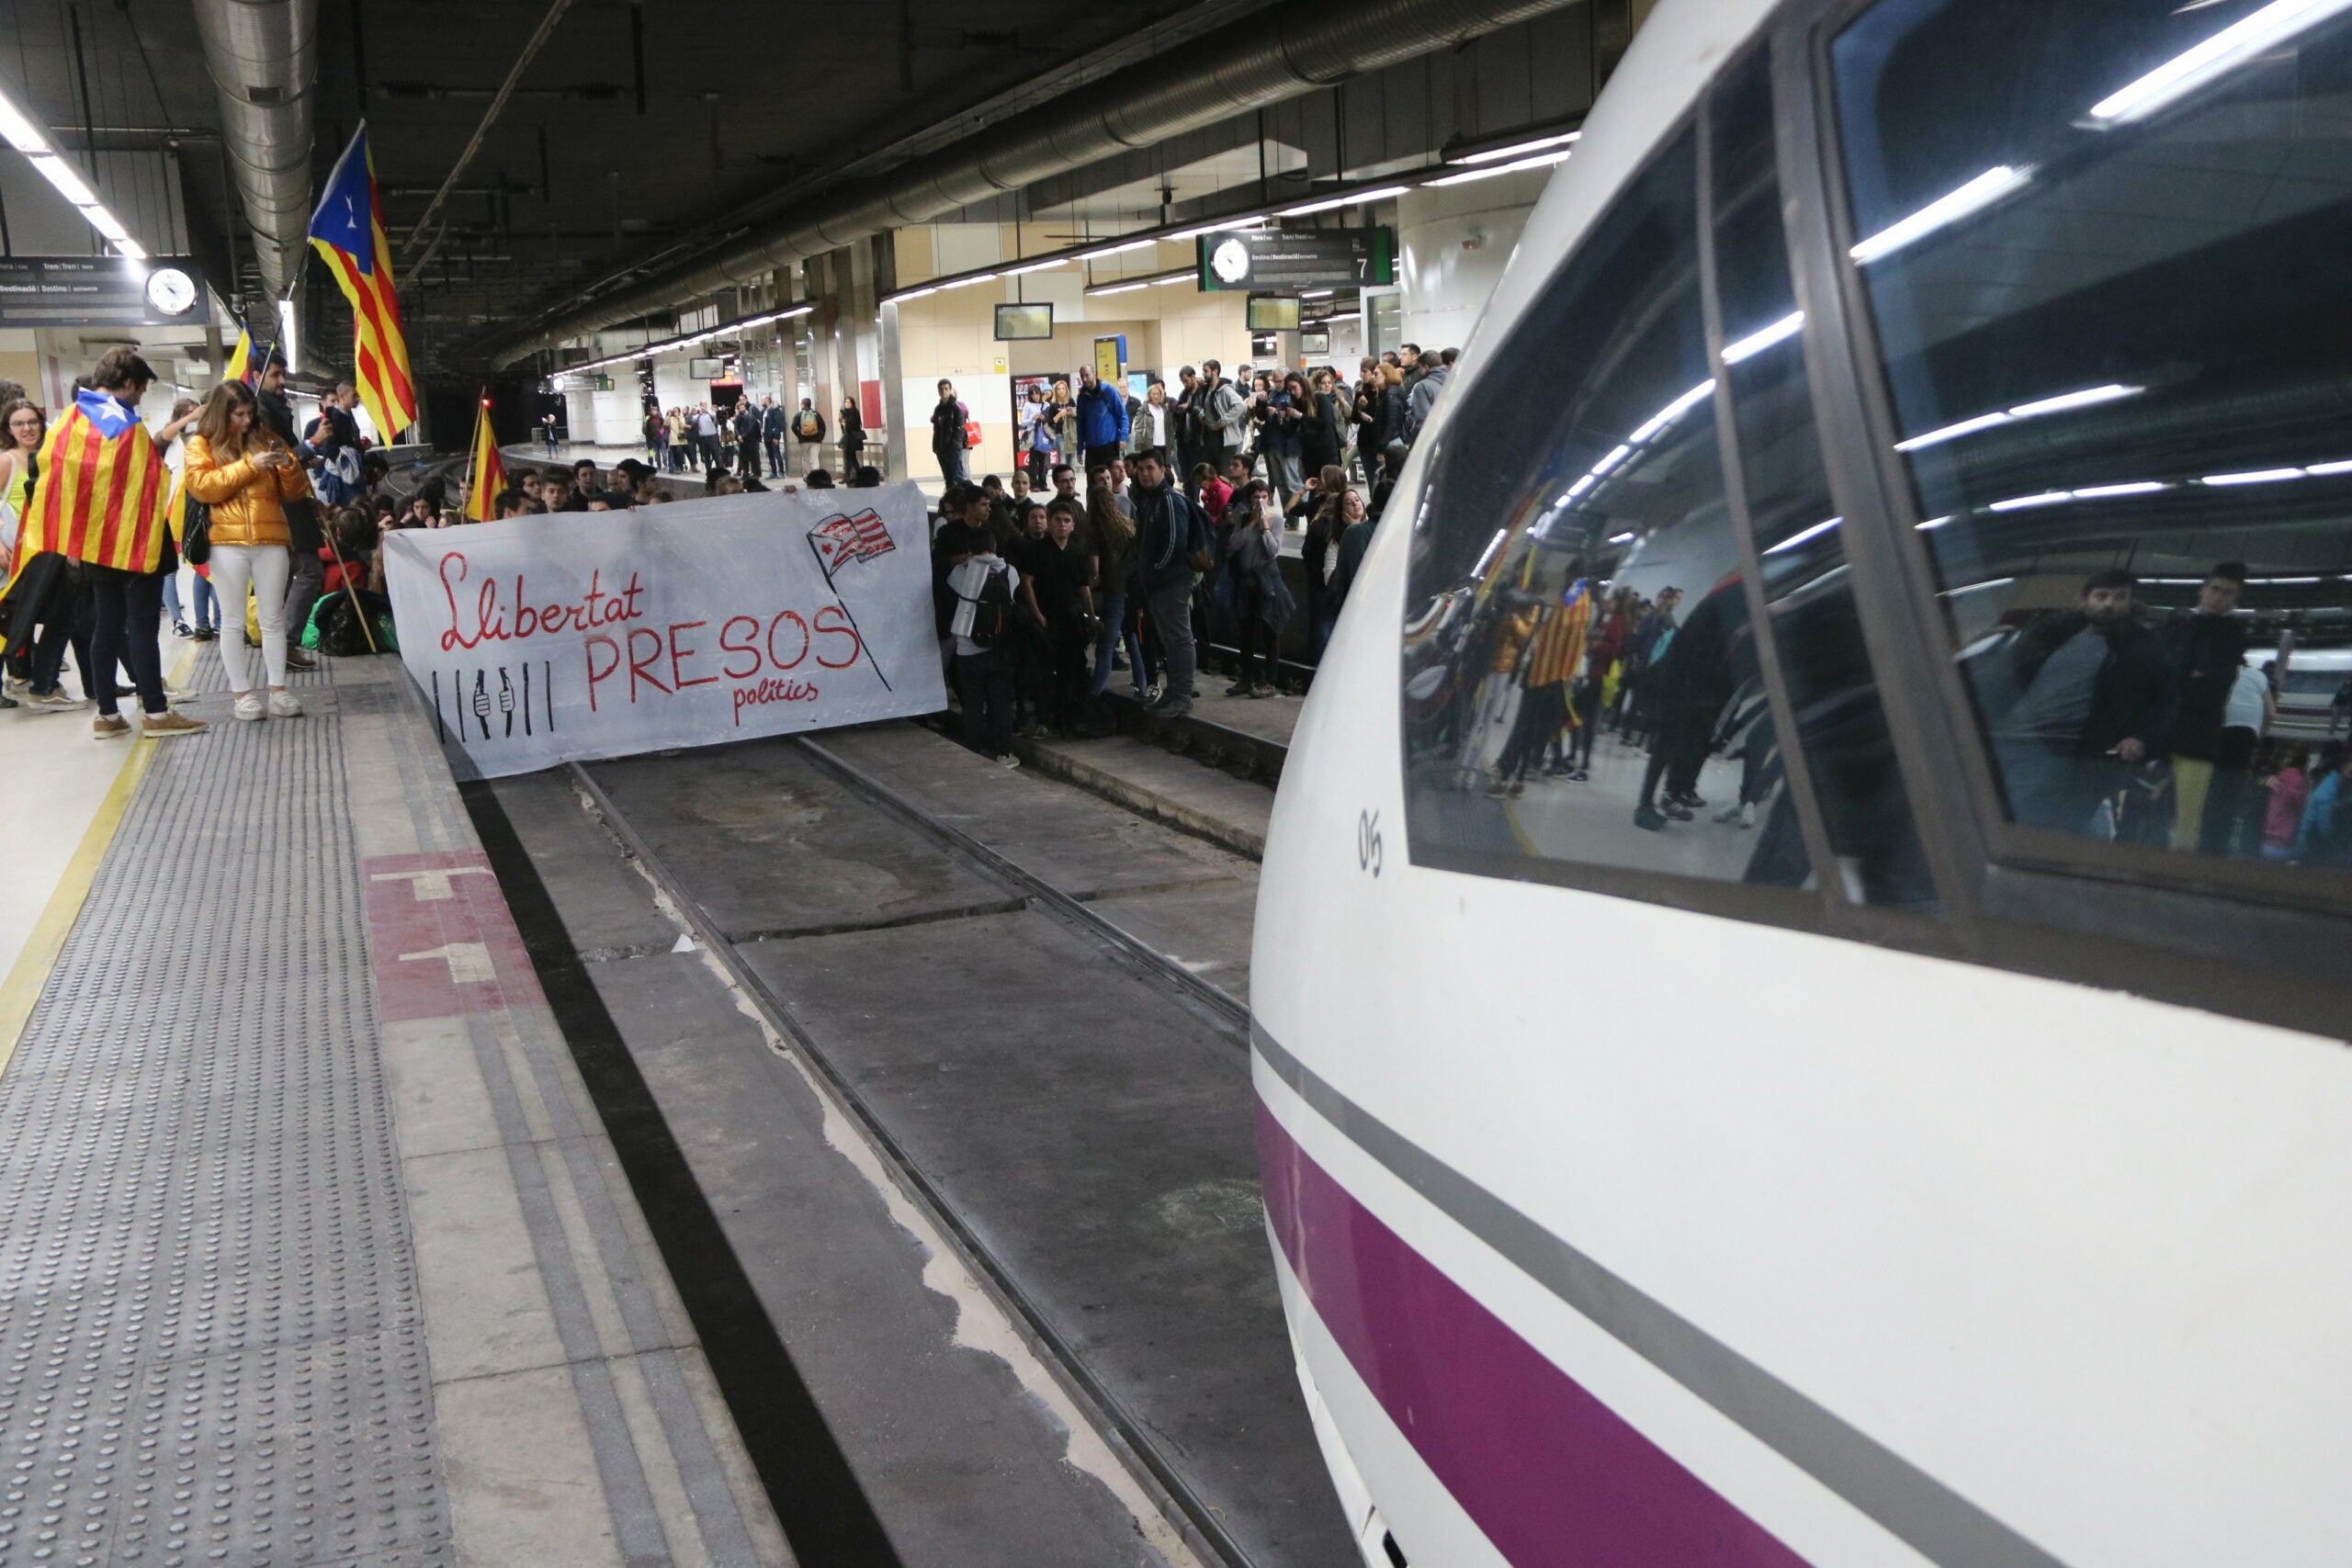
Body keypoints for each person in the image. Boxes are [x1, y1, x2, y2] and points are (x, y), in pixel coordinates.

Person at [46, 351, 210, 737]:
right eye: (141, 389)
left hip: (93, 542)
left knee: (107, 625)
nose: (139, 397)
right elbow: (147, 480)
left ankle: (106, 714)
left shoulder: (71, 419)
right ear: (129, 383)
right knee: (141, 627)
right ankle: (155, 712)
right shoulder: (123, 421)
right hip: (134, 541)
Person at [1986, 570, 2170, 835]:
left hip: (2071, 752)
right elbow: (2002, 678)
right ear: (2084, 600)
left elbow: (2163, 700)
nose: (2109, 603)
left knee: (2031, 827)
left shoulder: (2144, 647)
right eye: (2101, 596)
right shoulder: (2050, 633)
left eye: (2120, 597)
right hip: (2008, 739)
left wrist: (2140, 737)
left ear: (2131, 603)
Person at [187, 376, 314, 721]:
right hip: (225, 543)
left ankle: (278, 690)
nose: (246, 420)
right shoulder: (201, 444)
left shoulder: (268, 439)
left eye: (249, 413)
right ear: (222, 413)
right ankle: (242, 695)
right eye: (238, 414)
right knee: (232, 620)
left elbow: (295, 490)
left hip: (271, 538)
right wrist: (249, 466)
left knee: (273, 618)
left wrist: (287, 464)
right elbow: (202, 488)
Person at [2159, 562, 2252, 853]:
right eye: (2215, 589)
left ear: (2235, 599)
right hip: (2161, 732)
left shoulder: (2233, 635)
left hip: (2195, 738)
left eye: (2228, 593)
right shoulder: (2176, 627)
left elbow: (2211, 684)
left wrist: (2179, 678)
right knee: (2139, 808)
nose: (2219, 597)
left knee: (2187, 821)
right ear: (2202, 590)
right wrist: (2192, 676)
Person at [1129, 451, 1211, 718]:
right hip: (1159, 584)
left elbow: (1175, 543)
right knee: (1169, 639)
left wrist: (1154, 572)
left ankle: (1182, 695)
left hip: (1171, 582)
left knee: (1179, 639)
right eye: (1140, 469)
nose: (1144, 473)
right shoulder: (1150, 500)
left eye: (1150, 468)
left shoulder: (1168, 501)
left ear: (1162, 470)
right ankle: (1174, 692)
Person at [946, 522, 1021, 764]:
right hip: (1001, 648)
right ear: (995, 546)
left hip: (968, 650)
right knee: (1001, 702)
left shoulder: (961, 573)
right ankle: (1004, 752)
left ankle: (974, 751)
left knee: (973, 702)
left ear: (970, 549)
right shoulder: (1010, 571)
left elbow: (951, 584)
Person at [1030, 498, 1098, 729]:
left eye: (1066, 521)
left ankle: (1066, 715)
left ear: (1073, 526)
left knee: (1071, 669)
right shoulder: (1038, 551)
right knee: (1044, 671)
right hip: (1047, 617)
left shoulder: (1078, 553)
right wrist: (1037, 613)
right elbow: (1026, 581)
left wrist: (1091, 617)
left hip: (1071, 618)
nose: (1061, 525)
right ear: (1050, 524)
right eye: (1057, 520)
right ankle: (1044, 718)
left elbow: (1084, 589)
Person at [1221, 482, 1287, 698]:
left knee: (1270, 631)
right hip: (1246, 580)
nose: (1260, 501)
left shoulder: (1276, 519)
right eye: (1255, 497)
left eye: (1263, 496)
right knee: (1245, 631)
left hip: (1267, 579)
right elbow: (1233, 544)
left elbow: (1273, 550)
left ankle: (1270, 680)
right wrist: (1250, 524)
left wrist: (1265, 526)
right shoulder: (1243, 518)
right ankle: (1246, 677)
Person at [1086, 483, 1140, 699]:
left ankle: (1094, 692)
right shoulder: (1125, 526)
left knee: (1105, 646)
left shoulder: (1095, 530)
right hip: (1131, 588)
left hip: (1113, 590)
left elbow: (1095, 570)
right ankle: (1142, 684)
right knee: (1133, 637)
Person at [1074, 366, 1128, 470]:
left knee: (1111, 481)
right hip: (1091, 448)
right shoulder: (1082, 397)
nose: (1084, 379)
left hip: (1109, 445)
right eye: (1082, 376)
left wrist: (1123, 437)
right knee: (1093, 482)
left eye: (1087, 375)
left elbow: (1122, 415)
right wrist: (1080, 448)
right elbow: (1080, 424)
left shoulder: (1109, 391)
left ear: (1094, 374)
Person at [1404, 347, 1457, 446]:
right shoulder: (1454, 381)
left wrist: (1413, 446)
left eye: (1419, 367)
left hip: (1427, 442)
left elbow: (1423, 420)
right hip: (1449, 438)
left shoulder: (1422, 386)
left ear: (1425, 367)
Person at [931, 379, 972, 486]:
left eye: (946, 389)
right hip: (941, 450)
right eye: (941, 389)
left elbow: (960, 429)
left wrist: (954, 444)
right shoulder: (938, 409)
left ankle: (963, 500)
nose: (943, 391)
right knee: (948, 479)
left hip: (953, 450)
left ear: (950, 390)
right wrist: (935, 446)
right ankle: (951, 500)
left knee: (958, 477)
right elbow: (936, 430)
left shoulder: (956, 408)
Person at [1129, 379, 1172, 466]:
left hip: (1164, 444)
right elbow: (1139, 428)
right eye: (1154, 394)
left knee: (1165, 467)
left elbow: (1170, 428)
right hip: (1150, 444)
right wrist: (1139, 446)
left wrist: (1171, 446)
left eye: (1158, 394)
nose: (1156, 396)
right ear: (1149, 395)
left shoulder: (1165, 409)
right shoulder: (1143, 409)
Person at [790, 397, 826, 473]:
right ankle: (816, 476)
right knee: (815, 458)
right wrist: (820, 437)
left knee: (806, 458)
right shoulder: (816, 414)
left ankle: (807, 476)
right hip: (816, 440)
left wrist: (799, 435)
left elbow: (793, 426)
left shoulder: (799, 414)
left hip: (803, 440)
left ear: (803, 405)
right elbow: (823, 427)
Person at [732, 400, 763, 479]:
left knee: (754, 458)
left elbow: (751, 429)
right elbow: (736, 427)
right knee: (743, 458)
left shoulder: (750, 416)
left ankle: (757, 473)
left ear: (745, 407)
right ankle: (745, 473)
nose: (741, 409)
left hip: (752, 440)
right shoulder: (738, 417)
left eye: (742, 407)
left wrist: (742, 436)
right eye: (739, 408)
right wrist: (739, 436)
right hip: (742, 441)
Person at [761, 395, 787, 476]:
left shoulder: (775, 410)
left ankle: (781, 471)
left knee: (777, 454)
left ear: (767, 400)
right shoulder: (764, 411)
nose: (761, 402)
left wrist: (776, 436)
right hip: (766, 436)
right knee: (770, 455)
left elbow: (778, 424)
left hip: (773, 436)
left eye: (762, 400)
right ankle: (773, 471)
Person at [838, 397, 865, 476]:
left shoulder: (854, 412)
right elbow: (844, 428)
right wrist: (841, 421)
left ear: (852, 404)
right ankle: (852, 475)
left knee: (850, 458)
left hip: (852, 439)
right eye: (846, 402)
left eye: (849, 402)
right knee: (851, 458)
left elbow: (850, 425)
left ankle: (849, 476)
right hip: (848, 438)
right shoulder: (845, 413)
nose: (847, 404)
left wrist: (843, 422)